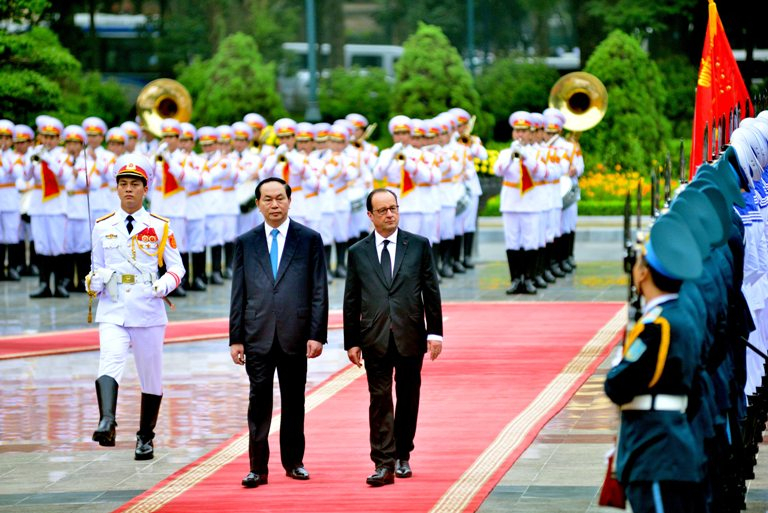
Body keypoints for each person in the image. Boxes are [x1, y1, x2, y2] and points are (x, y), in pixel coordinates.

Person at [229, 177, 329, 489]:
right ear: (258, 204)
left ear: (289, 200)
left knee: (294, 401)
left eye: (280, 198)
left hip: (296, 334)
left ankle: (294, 462)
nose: (275, 204)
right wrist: (236, 338)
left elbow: (318, 291)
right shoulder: (246, 242)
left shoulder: (308, 239)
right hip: (257, 333)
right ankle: (257, 468)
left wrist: (317, 334)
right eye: (268, 199)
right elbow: (239, 292)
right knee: (258, 401)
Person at [85, 152, 185, 460]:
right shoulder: (102, 226)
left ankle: (145, 436)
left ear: (145, 188)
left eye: (135, 184)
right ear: (116, 188)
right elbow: (95, 267)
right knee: (110, 360)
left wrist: (163, 285)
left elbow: (177, 268)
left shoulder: (160, 226)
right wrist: (94, 281)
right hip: (113, 307)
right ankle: (107, 420)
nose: (128, 189)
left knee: (150, 374)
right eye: (123, 183)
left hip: (147, 308)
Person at [604, 212, 705, 512]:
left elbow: (618, 385)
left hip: (655, 449)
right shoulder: (683, 316)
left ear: (644, 273)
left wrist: (617, 366)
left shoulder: (657, 327)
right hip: (674, 444)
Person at [343, 188, 443, 486]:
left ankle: (403, 454)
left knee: (409, 395)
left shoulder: (418, 246)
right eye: (383, 210)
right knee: (380, 398)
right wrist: (352, 341)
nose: (390, 214)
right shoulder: (358, 252)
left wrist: (435, 333)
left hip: (410, 333)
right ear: (370, 215)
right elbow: (352, 299)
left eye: (394, 208)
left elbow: (431, 291)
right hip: (374, 336)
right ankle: (383, 463)